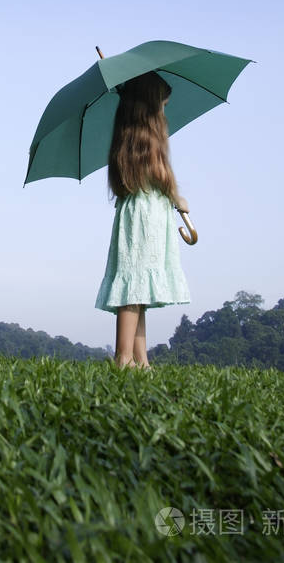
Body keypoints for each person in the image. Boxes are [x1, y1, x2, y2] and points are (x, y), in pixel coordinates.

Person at [95, 70, 191, 369]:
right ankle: (123, 358)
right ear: (150, 108)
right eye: (162, 104)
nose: (165, 109)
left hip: (142, 213)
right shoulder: (148, 142)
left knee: (139, 291)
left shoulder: (128, 137)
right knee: (133, 288)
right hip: (145, 217)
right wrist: (178, 198)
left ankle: (141, 358)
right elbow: (161, 176)